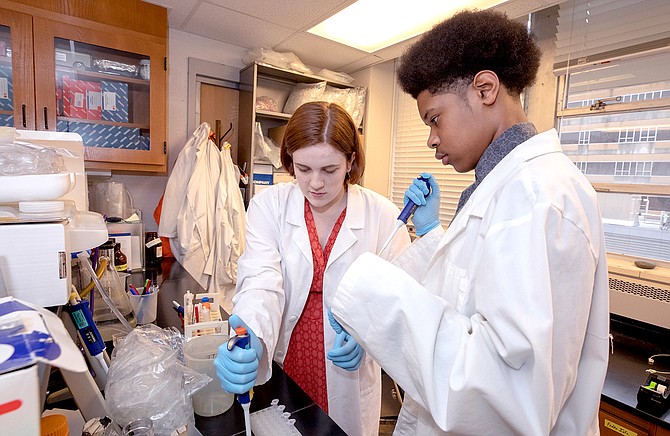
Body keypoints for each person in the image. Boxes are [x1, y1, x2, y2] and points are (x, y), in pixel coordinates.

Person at [328, 9, 610, 435]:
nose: (431, 139)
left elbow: (506, 396)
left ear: (484, 88)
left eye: (434, 118)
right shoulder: (500, 188)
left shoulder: (540, 198)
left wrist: (373, 296)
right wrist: (430, 237)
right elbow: (468, 301)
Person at [214, 101, 411, 436]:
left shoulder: (383, 217)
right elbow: (261, 282)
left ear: (350, 161)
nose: (315, 183)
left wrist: (367, 338)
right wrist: (250, 341)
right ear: (290, 160)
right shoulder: (269, 206)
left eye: (329, 170)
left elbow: (401, 301)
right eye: (303, 169)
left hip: (347, 368)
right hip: (289, 358)